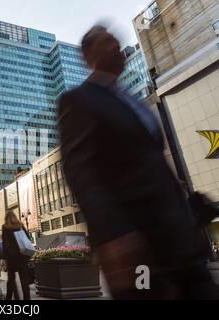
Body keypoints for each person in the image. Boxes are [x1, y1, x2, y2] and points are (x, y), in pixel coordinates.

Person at [57, 25, 219, 299]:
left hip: (181, 238)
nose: (116, 47)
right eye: (107, 43)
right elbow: (80, 171)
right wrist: (113, 236)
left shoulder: (131, 98)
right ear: (88, 56)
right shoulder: (79, 100)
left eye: (117, 42)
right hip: (138, 247)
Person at [2, 211, 31, 300]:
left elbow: (6, 244)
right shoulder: (20, 225)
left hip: (12, 257)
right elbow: (28, 239)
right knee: (24, 279)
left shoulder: (5, 227)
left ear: (6, 218)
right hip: (23, 256)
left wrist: (4, 258)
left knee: (11, 279)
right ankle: (27, 298)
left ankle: (9, 298)